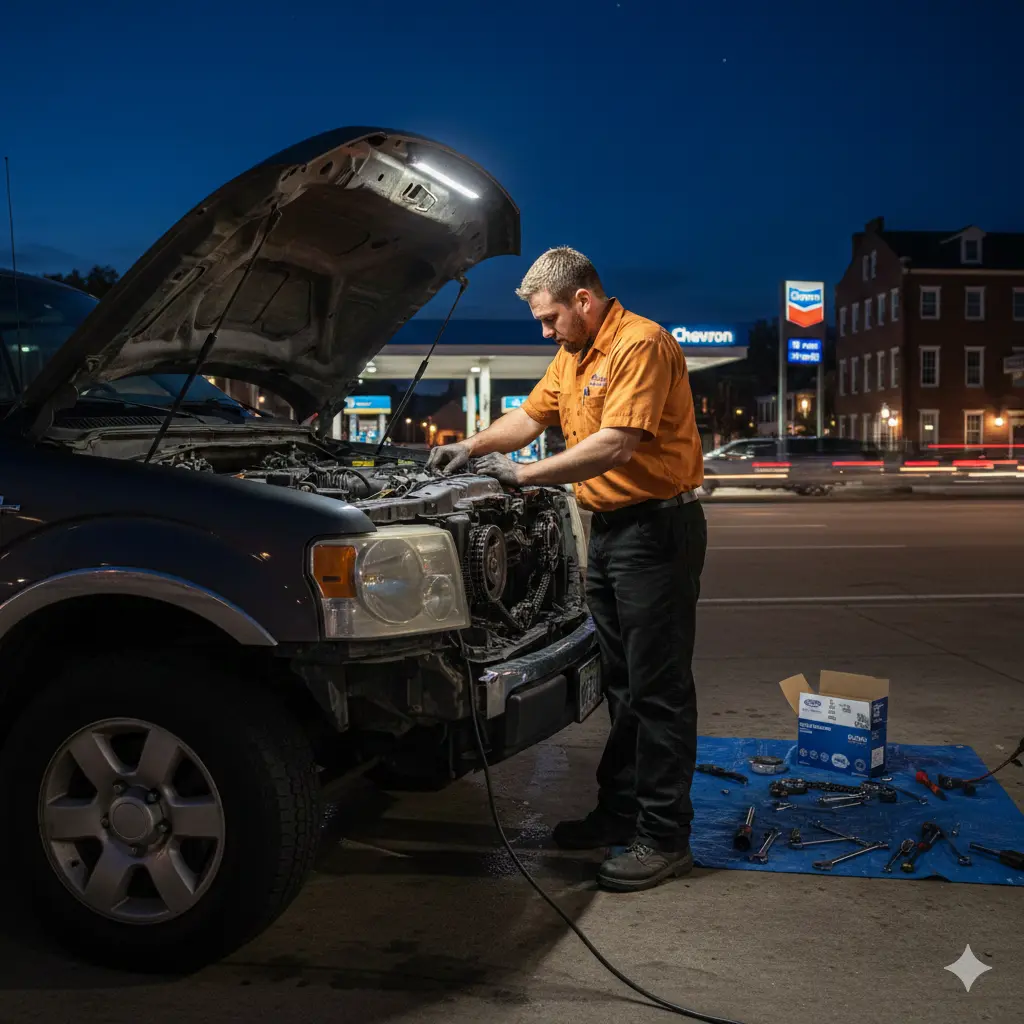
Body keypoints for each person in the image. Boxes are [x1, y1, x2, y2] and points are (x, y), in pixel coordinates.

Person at [427, 247, 707, 892]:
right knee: (622, 685)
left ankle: (666, 838)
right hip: (609, 532)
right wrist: (468, 447)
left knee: (659, 688)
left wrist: (522, 474)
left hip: (658, 530)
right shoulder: (575, 355)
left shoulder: (641, 344)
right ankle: (619, 814)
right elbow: (530, 417)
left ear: (584, 299)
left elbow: (615, 443)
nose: (545, 330)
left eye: (550, 317)